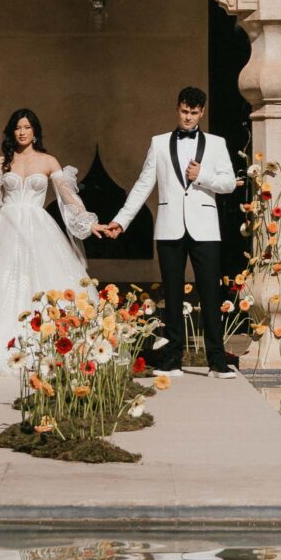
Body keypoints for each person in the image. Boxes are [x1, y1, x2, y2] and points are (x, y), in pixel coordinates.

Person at [0, 108, 96, 380]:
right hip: (7, 225)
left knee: (44, 281)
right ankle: (2, 349)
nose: (22, 132)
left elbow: (67, 195)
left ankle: (47, 348)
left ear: (35, 131)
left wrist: (89, 221)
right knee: (2, 286)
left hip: (38, 227)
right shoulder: (3, 161)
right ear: (13, 132)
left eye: (27, 127)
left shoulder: (48, 161)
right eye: (17, 128)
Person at [100, 85, 239, 373]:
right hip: (169, 228)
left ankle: (217, 360)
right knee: (173, 295)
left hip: (205, 229)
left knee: (210, 293)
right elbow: (142, 185)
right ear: (178, 109)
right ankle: (172, 358)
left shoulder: (216, 143)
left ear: (202, 112)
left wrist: (202, 176)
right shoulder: (159, 143)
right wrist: (121, 220)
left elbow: (228, 183)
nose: (188, 117)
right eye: (184, 111)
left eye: (194, 112)